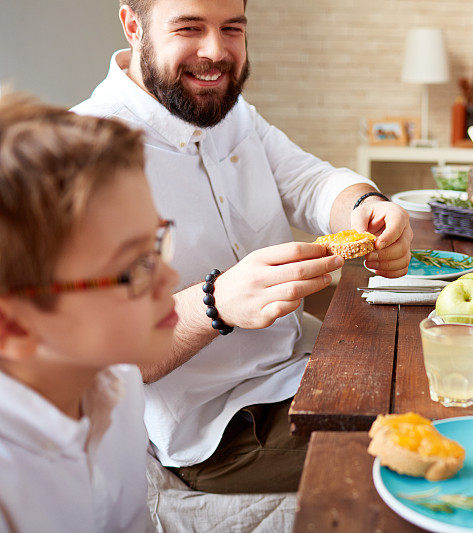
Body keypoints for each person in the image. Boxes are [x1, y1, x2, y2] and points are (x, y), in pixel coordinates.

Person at [73, 0, 413, 494]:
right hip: (225, 428)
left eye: (232, 28)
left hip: (303, 364)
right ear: (133, 26)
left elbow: (311, 182)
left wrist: (365, 205)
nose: (215, 52)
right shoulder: (79, 154)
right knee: (422, 446)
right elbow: (104, 354)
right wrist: (218, 302)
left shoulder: (232, 115)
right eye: (190, 28)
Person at [0, 96, 179, 531]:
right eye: (133, 267)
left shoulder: (117, 380)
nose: (170, 278)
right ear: (13, 325)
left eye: (156, 244)